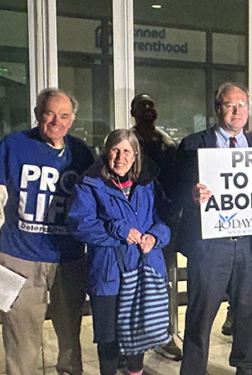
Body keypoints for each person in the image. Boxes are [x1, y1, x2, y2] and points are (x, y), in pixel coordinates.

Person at [0, 88, 95, 375]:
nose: (56, 121)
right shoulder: (13, 145)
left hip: (68, 257)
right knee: (20, 333)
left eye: (64, 115)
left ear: (72, 119)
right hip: (19, 255)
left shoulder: (81, 153)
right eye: (50, 113)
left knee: (69, 331)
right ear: (37, 114)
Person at [173, 83, 252, 375]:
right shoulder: (192, 144)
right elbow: (172, 190)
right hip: (212, 245)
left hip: (250, 245)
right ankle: (194, 370)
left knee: (249, 313)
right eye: (230, 105)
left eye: (242, 105)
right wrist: (191, 193)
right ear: (217, 109)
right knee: (201, 314)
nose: (237, 111)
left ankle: (246, 368)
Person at [68, 129, 172, 375]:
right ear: (106, 152)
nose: (120, 157)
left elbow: (164, 218)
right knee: (108, 336)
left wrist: (155, 236)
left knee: (139, 334)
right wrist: (119, 230)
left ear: (135, 154)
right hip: (108, 273)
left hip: (144, 267)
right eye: (115, 150)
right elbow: (80, 225)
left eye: (127, 151)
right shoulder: (90, 182)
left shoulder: (148, 182)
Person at [130, 93, 183, 361]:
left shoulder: (169, 145)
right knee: (132, 284)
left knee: (167, 284)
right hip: (132, 228)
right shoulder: (125, 144)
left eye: (152, 105)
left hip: (163, 228)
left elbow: (176, 184)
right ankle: (132, 341)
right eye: (142, 106)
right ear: (133, 112)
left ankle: (167, 334)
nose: (148, 110)